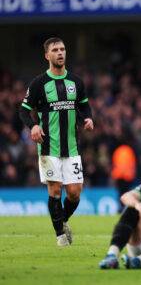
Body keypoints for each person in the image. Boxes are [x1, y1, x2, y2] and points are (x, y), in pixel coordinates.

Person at [19, 37, 94, 247]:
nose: (60, 53)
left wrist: (88, 118)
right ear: (47, 55)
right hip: (48, 146)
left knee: (74, 193)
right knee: (55, 190)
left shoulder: (76, 82)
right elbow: (23, 111)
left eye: (62, 49)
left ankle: (62, 221)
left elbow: (84, 106)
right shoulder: (38, 83)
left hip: (72, 146)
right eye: (55, 50)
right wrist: (33, 126)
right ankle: (61, 236)